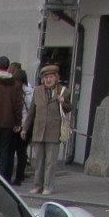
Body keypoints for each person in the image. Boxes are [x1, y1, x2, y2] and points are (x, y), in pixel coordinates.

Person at [21, 64, 71, 196]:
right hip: (39, 130)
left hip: (54, 131)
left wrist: (62, 102)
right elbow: (32, 111)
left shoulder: (63, 91)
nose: (48, 80)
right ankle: (38, 185)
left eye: (51, 77)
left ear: (56, 78)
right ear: (42, 79)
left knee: (50, 162)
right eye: (46, 77)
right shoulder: (37, 91)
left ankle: (48, 186)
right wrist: (25, 128)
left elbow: (69, 108)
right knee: (39, 161)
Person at [8, 63, 34, 184]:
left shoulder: (15, 92)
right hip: (27, 125)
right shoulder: (32, 92)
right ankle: (19, 176)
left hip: (15, 125)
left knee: (12, 150)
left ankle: (11, 175)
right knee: (22, 153)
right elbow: (33, 111)